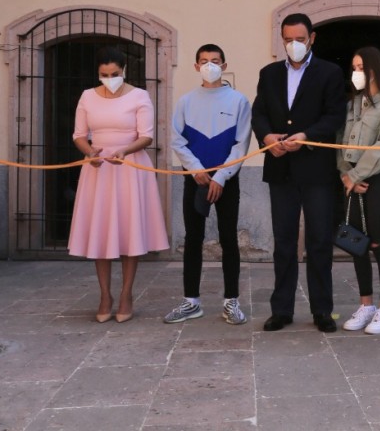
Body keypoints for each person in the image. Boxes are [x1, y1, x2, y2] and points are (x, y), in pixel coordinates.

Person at [251, 12, 346, 333]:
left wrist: (306, 136)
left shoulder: (330, 73)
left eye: (300, 40)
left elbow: (334, 116)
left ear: (312, 39)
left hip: (317, 170)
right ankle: (282, 310)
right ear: (282, 40)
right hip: (280, 169)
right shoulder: (269, 73)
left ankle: (322, 310)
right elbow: (259, 112)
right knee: (284, 242)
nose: (294, 45)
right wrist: (267, 138)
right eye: (288, 40)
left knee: (319, 241)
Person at [68, 47, 169, 323]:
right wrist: (89, 152)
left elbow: (146, 136)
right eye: (104, 74)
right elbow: (79, 135)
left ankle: (126, 294)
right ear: (97, 73)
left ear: (124, 71)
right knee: (101, 232)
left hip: (129, 167)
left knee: (128, 230)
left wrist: (124, 151)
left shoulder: (139, 96)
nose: (109, 78)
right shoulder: (87, 97)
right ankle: (104, 295)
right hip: (98, 169)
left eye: (114, 74)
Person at [164, 44, 252, 326]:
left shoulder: (238, 101)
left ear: (224, 65)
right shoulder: (186, 101)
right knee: (193, 239)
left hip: (226, 180)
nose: (209, 65)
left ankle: (231, 301)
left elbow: (242, 144)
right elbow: (177, 139)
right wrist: (197, 171)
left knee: (229, 239)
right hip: (195, 179)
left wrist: (221, 177)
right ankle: (191, 302)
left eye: (215, 61)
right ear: (195, 66)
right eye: (203, 61)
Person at [337, 47, 380, 334]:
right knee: (358, 244)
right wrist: (345, 174)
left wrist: (355, 175)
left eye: (360, 67)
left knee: (379, 243)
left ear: (373, 70)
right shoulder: (352, 105)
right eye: (353, 67)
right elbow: (340, 140)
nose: (355, 73)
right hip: (351, 181)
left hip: (378, 179)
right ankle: (366, 305)